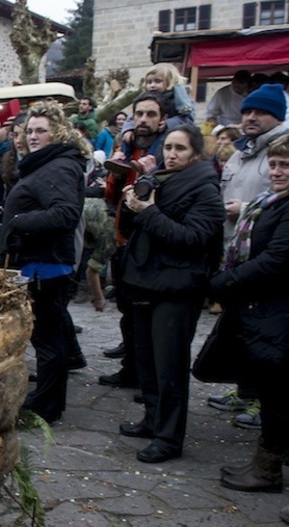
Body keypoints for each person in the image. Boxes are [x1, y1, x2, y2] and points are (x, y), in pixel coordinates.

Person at [116, 124, 224, 463]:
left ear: (195, 153)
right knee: (147, 360)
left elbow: (192, 239)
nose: (172, 154)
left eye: (180, 149)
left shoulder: (205, 189)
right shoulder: (162, 180)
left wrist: (148, 212)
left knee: (169, 366)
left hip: (177, 289)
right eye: (169, 148)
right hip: (147, 283)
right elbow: (133, 227)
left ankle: (169, 437)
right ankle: (152, 419)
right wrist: (134, 203)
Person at [209, 135, 289, 513]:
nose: (276, 171)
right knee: (273, 393)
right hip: (267, 311)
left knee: (278, 395)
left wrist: (223, 284)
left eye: (285, 166)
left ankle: (268, 470)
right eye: (273, 164)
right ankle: (266, 465)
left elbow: (276, 261)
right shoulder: (270, 203)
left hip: (280, 313)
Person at [0, 101, 86, 423]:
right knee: (48, 337)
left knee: (48, 339)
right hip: (39, 261)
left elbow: (65, 213)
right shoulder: (46, 163)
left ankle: (47, 407)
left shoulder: (59, 166)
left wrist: (19, 221)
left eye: (40, 131)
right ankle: (46, 399)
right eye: (30, 130)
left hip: (45, 265)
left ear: (56, 133)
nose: (33, 136)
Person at [211, 83, 289, 427]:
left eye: (259, 112)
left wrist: (243, 210)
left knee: (266, 337)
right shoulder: (242, 150)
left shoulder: (279, 149)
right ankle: (245, 391)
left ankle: (264, 402)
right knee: (241, 329)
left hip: (265, 261)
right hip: (238, 251)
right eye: (246, 111)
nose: (251, 117)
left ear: (278, 116)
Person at [98, 93, 170, 391]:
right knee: (129, 312)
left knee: (148, 318)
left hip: (151, 244)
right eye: (139, 114)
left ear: (161, 120)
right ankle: (131, 370)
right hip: (124, 240)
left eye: (150, 114)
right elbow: (113, 197)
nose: (143, 119)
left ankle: (149, 381)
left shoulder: (165, 152)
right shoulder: (127, 149)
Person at [108, 63, 195, 175]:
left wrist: (169, 123)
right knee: (126, 138)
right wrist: (128, 128)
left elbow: (187, 118)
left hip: (167, 131)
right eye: (149, 82)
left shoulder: (178, 99)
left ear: (169, 82)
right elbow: (131, 117)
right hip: (144, 135)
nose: (152, 85)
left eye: (157, 81)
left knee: (161, 142)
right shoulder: (145, 98)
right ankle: (122, 159)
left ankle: (148, 160)